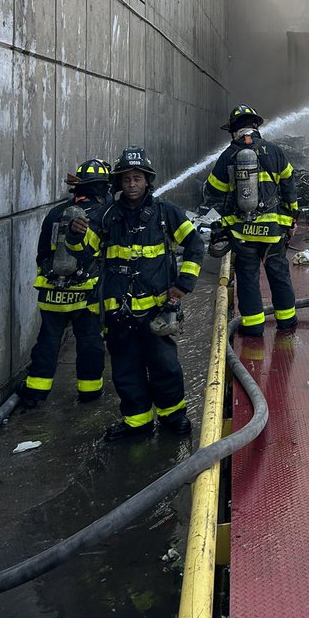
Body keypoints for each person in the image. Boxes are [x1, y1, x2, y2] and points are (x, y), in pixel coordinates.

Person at [87, 146, 204, 442]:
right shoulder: (106, 216)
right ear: (119, 183)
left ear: (147, 180)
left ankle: (173, 418)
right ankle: (137, 424)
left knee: (165, 368)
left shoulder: (166, 213)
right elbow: (84, 252)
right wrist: (77, 235)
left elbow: (195, 245)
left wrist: (183, 284)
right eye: (126, 179)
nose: (132, 185)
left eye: (137, 178)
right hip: (118, 312)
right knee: (126, 372)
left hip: (155, 311)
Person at [19, 158, 112, 408]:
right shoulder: (102, 214)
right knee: (90, 342)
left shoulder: (55, 213)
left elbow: (41, 253)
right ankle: (89, 391)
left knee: (47, 342)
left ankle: (36, 392)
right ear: (102, 187)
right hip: (85, 292)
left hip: (51, 291)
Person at [203, 104, 299, 338]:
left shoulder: (228, 155)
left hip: (242, 234)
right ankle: (287, 322)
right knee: (279, 274)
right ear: (255, 125)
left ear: (233, 130)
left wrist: (226, 221)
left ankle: (254, 326)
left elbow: (214, 191)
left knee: (247, 277)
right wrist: (291, 219)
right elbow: (289, 187)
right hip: (274, 232)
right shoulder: (275, 151)